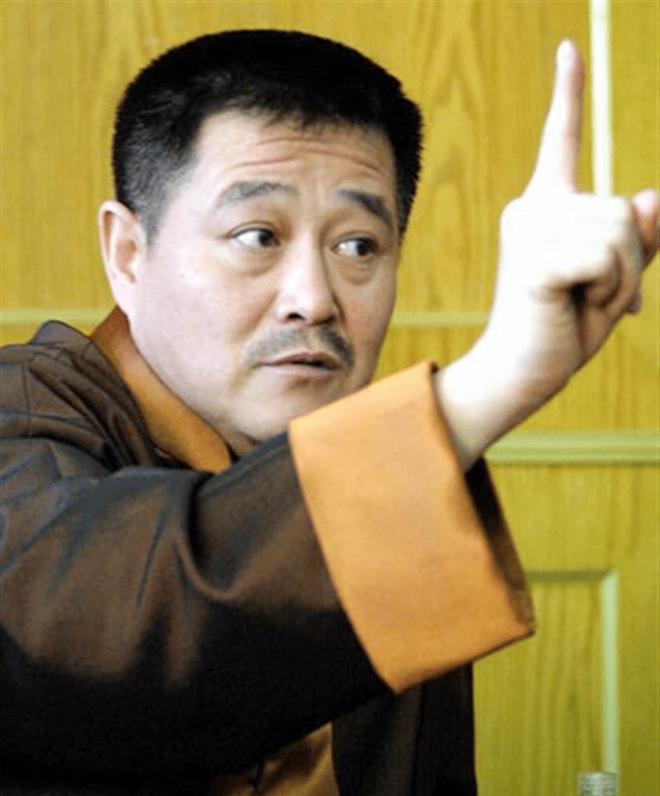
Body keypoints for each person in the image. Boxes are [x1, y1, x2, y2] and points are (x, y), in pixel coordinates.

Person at [0, 29, 657, 796]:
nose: (313, 299)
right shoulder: (24, 415)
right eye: (258, 236)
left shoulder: (387, 478)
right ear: (128, 254)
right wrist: (495, 378)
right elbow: (103, 634)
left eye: (358, 246)